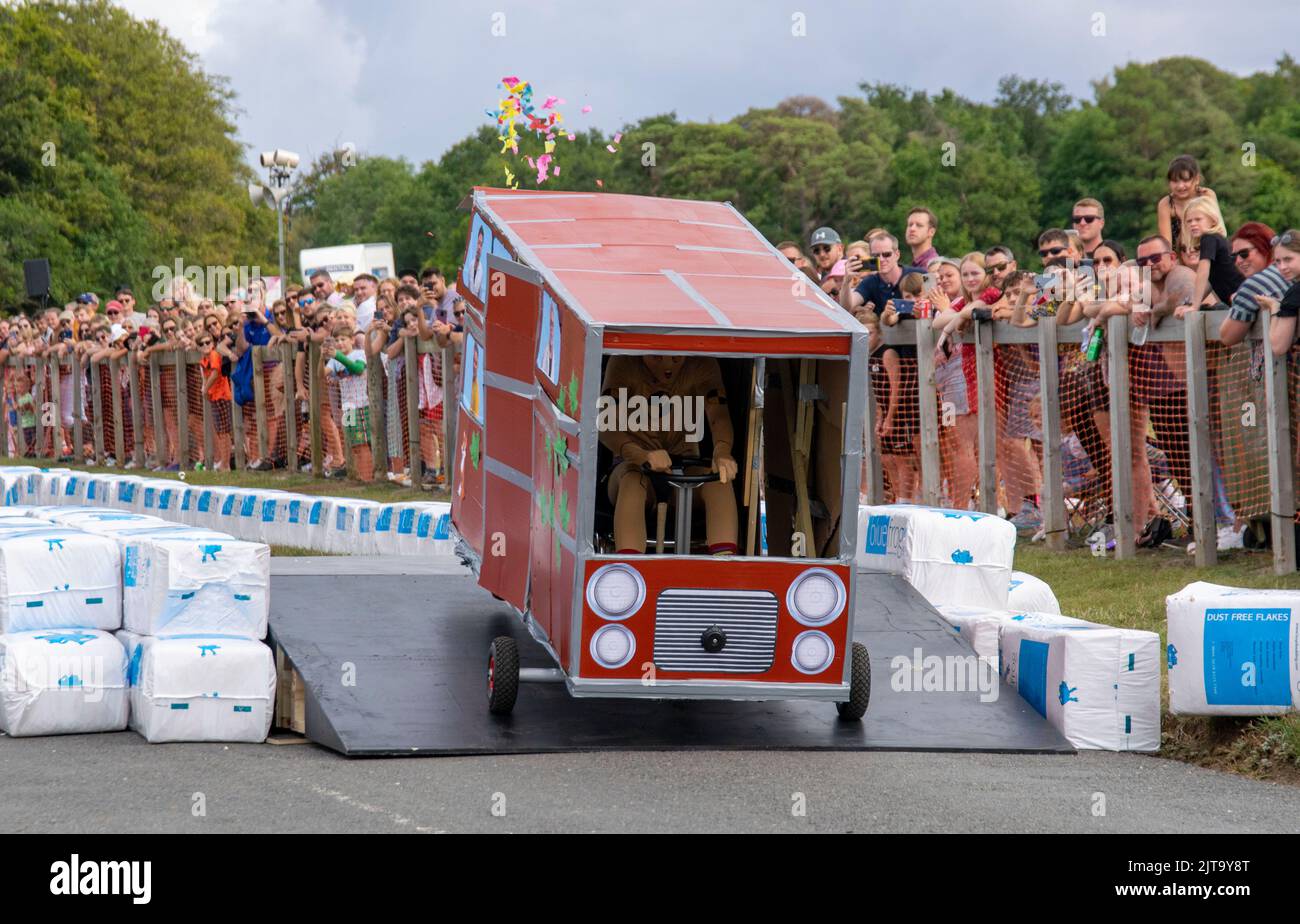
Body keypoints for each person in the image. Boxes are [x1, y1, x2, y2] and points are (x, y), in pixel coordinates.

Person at [598, 354, 737, 555]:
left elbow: (719, 413)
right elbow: (605, 425)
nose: (667, 365)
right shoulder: (623, 361)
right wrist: (641, 455)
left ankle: (726, 570)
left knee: (720, 482)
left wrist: (722, 451)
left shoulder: (702, 364)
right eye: (657, 358)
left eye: (676, 358)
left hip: (686, 468)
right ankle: (629, 572)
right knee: (632, 483)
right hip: (631, 466)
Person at [1218, 222, 1288, 348]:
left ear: (1264, 248)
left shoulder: (1254, 284)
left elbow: (1227, 337)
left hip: (1275, 364)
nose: (1238, 261)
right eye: (1234, 256)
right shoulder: (1290, 272)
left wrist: (1238, 300)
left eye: (1244, 253)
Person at [326, 323, 373, 481]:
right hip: (347, 408)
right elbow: (322, 374)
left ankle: (368, 478)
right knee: (352, 443)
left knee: (362, 443)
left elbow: (358, 369)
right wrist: (322, 357)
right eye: (337, 340)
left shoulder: (359, 354)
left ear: (352, 340)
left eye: (343, 339)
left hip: (361, 406)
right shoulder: (333, 360)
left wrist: (338, 356)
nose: (340, 343)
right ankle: (359, 476)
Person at [1182, 196, 1243, 307]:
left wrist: (1195, 306)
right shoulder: (1216, 239)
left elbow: (1203, 273)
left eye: (1198, 219)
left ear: (1213, 221)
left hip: (1241, 297)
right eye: (1189, 221)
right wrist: (1192, 303)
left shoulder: (1209, 238)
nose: (1193, 224)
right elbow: (1210, 281)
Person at [1157, 154, 1219, 259]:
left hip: (1209, 254)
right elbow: (1166, 245)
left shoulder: (1207, 195)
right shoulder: (1166, 204)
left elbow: (1218, 229)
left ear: (1197, 179)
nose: (1180, 186)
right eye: (1175, 181)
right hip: (1179, 259)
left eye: (1185, 180)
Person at [1258, 230, 1300, 357]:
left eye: (1288, 259)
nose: (1282, 267)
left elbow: (1278, 346)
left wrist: (1275, 307)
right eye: (1277, 262)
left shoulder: (1295, 292)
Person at [198, 328, 232, 470]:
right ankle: (224, 462)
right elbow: (204, 377)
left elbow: (215, 372)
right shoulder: (203, 360)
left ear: (212, 343)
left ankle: (226, 464)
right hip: (214, 397)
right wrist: (204, 387)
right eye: (202, 343)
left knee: (224, 431)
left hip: (222, 396)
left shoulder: (214, 355)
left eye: (208, 342)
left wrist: (205, 388)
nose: (205, 345)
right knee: (220, 431)